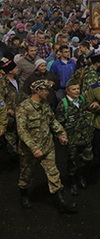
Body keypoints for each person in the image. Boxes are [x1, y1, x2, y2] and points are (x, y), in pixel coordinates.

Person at [16, 79, 77, 214]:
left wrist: (61, 133)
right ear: (39, 91)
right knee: (26, 175)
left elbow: (52, 121)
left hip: (47, 145)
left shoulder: (45, 105)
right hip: (30, 150)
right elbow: (22, 131)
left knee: (53, 173)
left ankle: (61, 202)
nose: (48, 92)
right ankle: (24, 194)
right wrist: (34, 148)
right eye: (46, 90)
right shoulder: (23, 108)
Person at [55, 78, 93, 196]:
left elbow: (87, 110)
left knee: (87, 158)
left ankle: (80, 175)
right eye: (74, 89)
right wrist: (61, 136)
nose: (77, 91)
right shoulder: (63, 105)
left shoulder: (81, 100)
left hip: (84, 136)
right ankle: (73, 182)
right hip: (72, 138)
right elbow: (58, 123)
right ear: (67, 91)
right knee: (72, 160)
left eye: (78, 88)